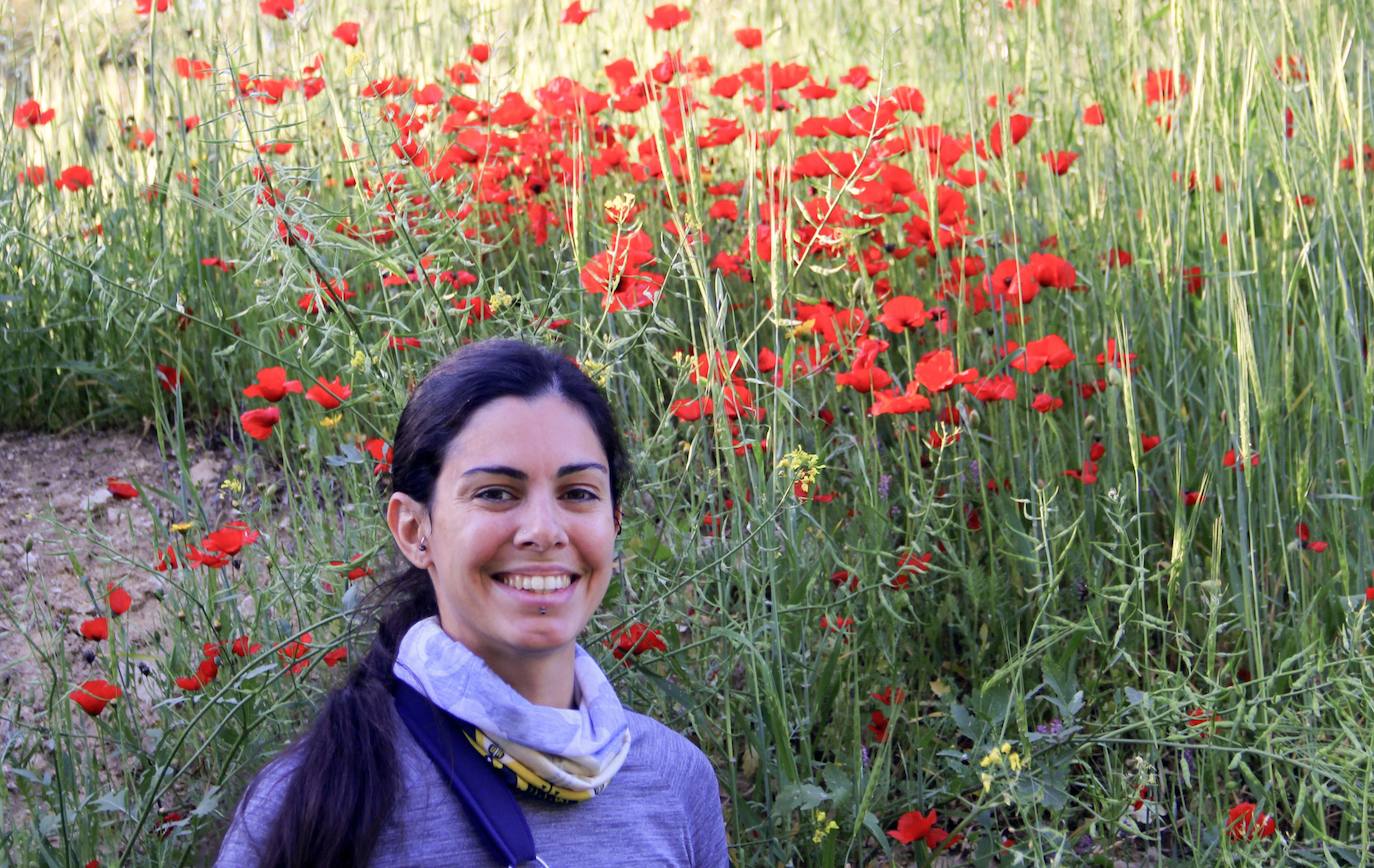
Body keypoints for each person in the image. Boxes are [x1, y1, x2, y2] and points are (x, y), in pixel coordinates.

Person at [216, 339, 729, 867]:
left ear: (615, 523)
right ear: (415, 530)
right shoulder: (315, 802)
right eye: (495, 493)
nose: (544, 531)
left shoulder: (673, 780)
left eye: (579, 493)